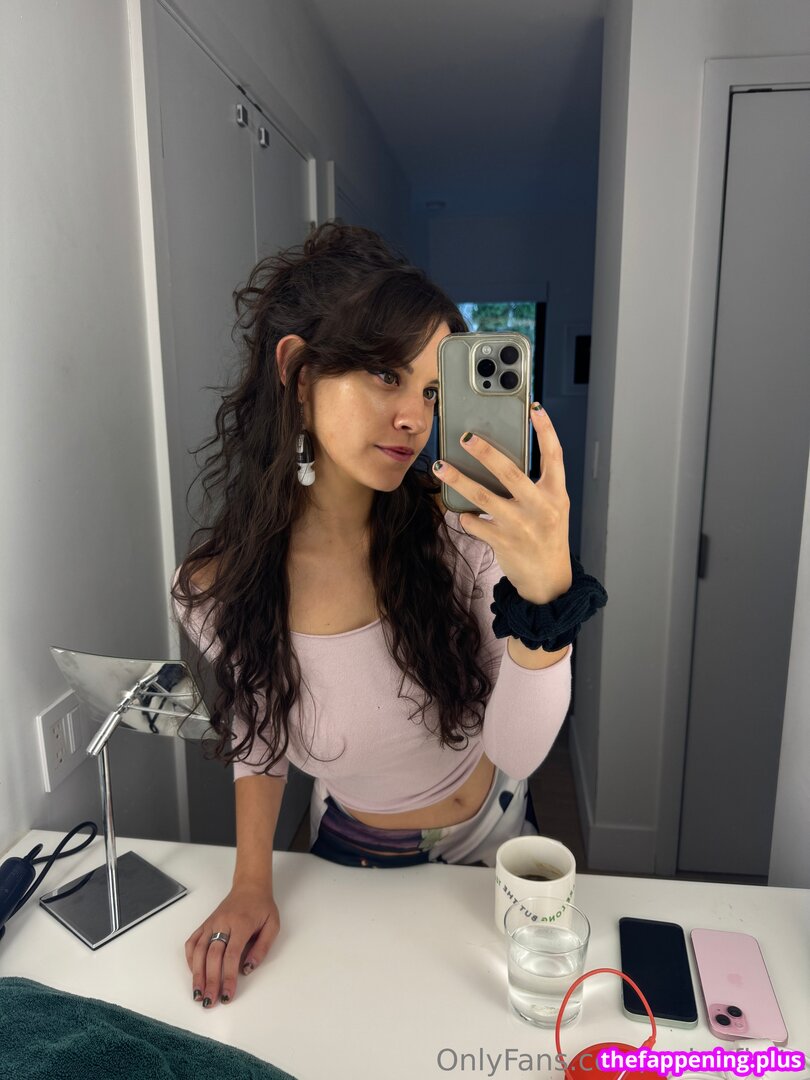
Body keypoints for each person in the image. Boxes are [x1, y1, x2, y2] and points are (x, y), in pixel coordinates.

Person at [171, 222, 584, 1011]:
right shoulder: (218, 588)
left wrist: (545, 604)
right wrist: (251, 882)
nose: (414, 418)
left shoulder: (461, 538)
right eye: (386, 374)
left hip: (500, 833)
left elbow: (517, 750)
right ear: (298, 373)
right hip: (354, 854)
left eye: (431, 391)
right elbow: (260, 725)